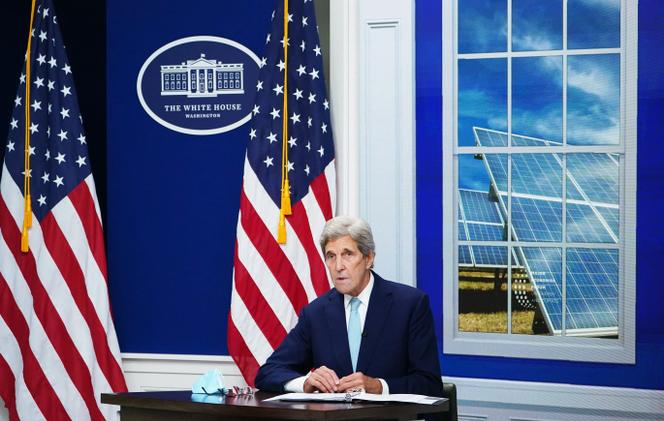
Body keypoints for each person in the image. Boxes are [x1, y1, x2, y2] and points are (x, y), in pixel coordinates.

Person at [255, 216, 444, 396]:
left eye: (348, 254)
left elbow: (429, 383)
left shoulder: (409, 304)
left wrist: (379, 386)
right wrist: (305, 382)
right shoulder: (315, 313)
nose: (338, 266)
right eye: (331, 256)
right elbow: (269, 372)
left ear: (369, 258)